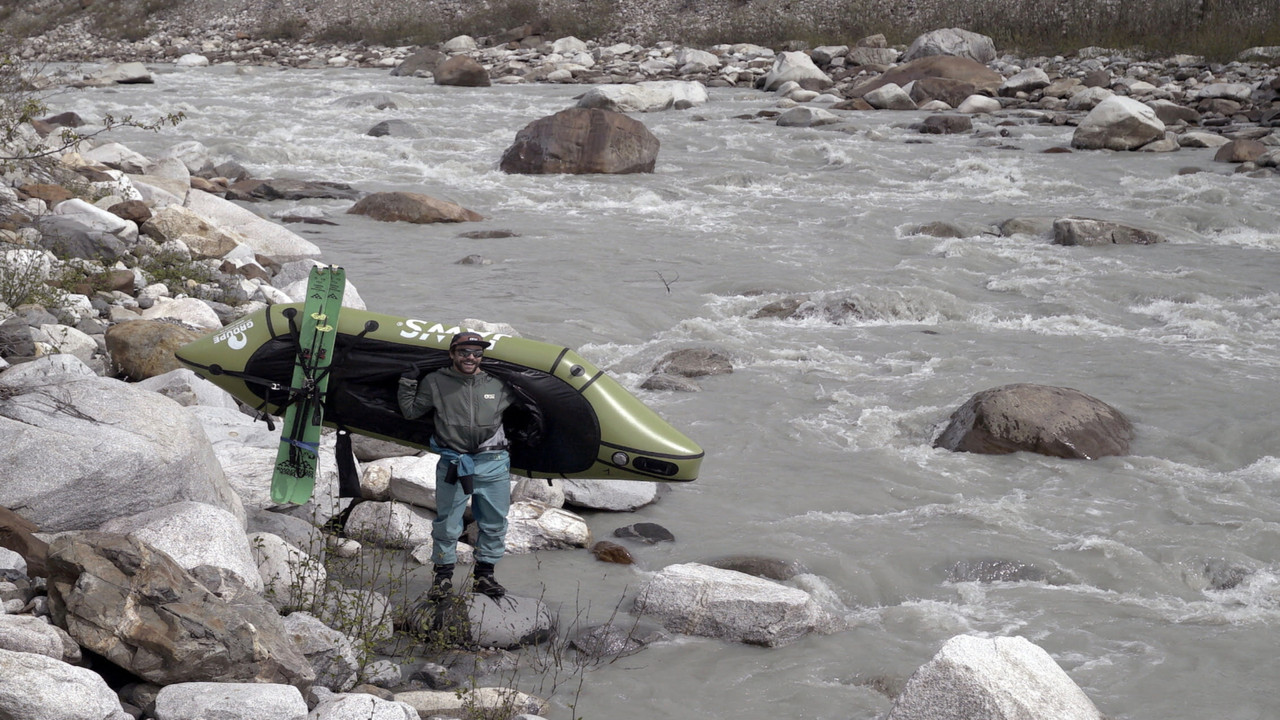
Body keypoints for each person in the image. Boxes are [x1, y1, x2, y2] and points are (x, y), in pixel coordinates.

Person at [398, 331, 514, 600]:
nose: (471, 357)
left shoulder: (497, 384)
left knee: (495, 523)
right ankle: (442, 579)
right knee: (447, 523)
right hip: (454, 461)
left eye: (477, 353)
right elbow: (411, 412)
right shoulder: (436, 381)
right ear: (452, 354)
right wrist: (407, 381)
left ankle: (484, 576)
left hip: (493, 462)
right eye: (464, 352)